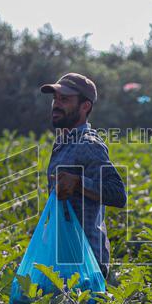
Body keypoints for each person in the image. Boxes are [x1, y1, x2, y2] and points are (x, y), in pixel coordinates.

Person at [40, 72, 127, 281]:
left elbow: (118, 193)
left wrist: (78, 182)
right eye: (55, 99)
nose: (56, 105)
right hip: (64, 257)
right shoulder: (62, 143)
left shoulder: (89, 144)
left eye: (65, 99)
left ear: (85, 106)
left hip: (86, 264)